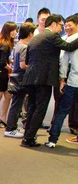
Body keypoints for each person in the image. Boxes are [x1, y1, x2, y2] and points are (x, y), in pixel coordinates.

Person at [21, 14, 78, 147]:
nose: (62, 29)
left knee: (32, 107)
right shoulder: (52, 36)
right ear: (53, 24)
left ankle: (27, 135)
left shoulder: (36, 37)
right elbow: (68, 47)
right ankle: (29, 137)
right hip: (44, 78)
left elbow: (28, 59)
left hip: (31, 77)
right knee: (40, 108)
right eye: (61, 26)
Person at [46, 14, 78, 147]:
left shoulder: (67, 40)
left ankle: (53, 139)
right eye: (65, 25)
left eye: (70, 25)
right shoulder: (65, 39)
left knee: (62, 110)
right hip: (73, 80)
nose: (67, 27)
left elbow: (63, 62)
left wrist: (62, 79)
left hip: (72, 81)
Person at [4, 22, 36, 138]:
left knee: (16, 104)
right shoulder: (24, 47)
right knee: (17, 104)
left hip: (16, 77)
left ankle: (11, 127)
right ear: (30, 34)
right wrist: (34, 67)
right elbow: (23, 65)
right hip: (20, 79)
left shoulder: (18, 45)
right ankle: (10, 128)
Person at [0, 22, 17, 128]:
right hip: (1, 74)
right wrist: (11, 68)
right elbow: (2, 62)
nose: (15, 32)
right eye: (13, 30)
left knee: (7, 96)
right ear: (7, 31)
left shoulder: (2, 42)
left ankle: (3, 118)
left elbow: (2, 59)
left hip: (1, 73)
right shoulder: (5, 44)